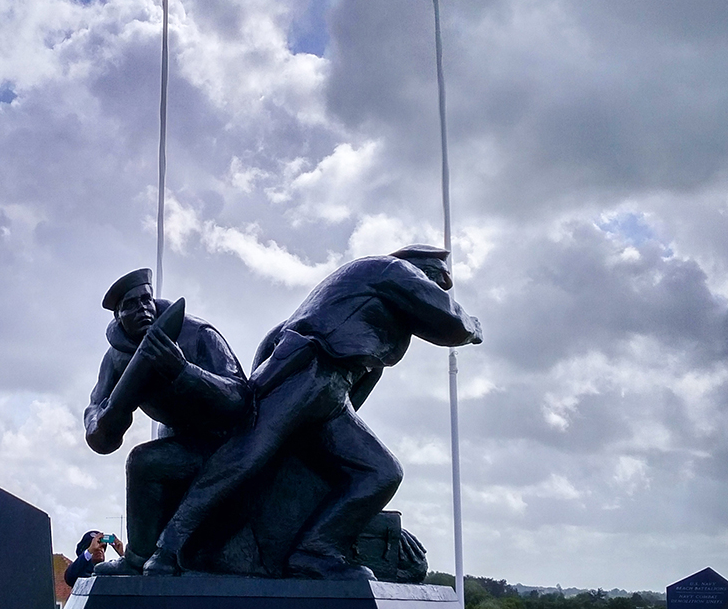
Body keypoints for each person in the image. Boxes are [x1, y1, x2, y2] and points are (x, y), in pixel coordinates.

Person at [143, 246, 482, 580]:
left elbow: (276, 336)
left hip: (329, 389)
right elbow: (451, 323)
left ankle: (315, 552)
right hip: (311, 371)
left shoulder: (367, 306)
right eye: (437, 283)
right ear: (421, 271)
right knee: (243, 458)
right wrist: (473, 325)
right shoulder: (390, 270)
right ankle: (168, 549)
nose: (438, 291)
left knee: (380, 471)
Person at [83, 267, 251, 574]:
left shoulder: (198, 334)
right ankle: (141, 558)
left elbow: (240, 398)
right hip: (181, 443)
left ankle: (137, 559)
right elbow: (95, 412)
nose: (143, 308)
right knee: (148, 459)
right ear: (118, 316)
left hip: (230, 443)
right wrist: (107, 417)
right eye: (131, 305)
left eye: (146, 299)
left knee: (145, 461)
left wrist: (185, 372)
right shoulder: (116, 358)